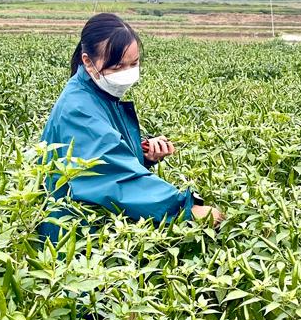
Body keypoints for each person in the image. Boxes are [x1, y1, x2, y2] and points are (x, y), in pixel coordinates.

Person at [39, 13, 223, 244]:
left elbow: (104, 150)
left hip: (85, 223)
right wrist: (183, 208)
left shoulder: (98, 93)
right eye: (117, 66)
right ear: (88, 62)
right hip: (72, 234)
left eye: (133, 64)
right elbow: (113, 177)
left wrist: (142, 153)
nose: (127, 72)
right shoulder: (79, 108)